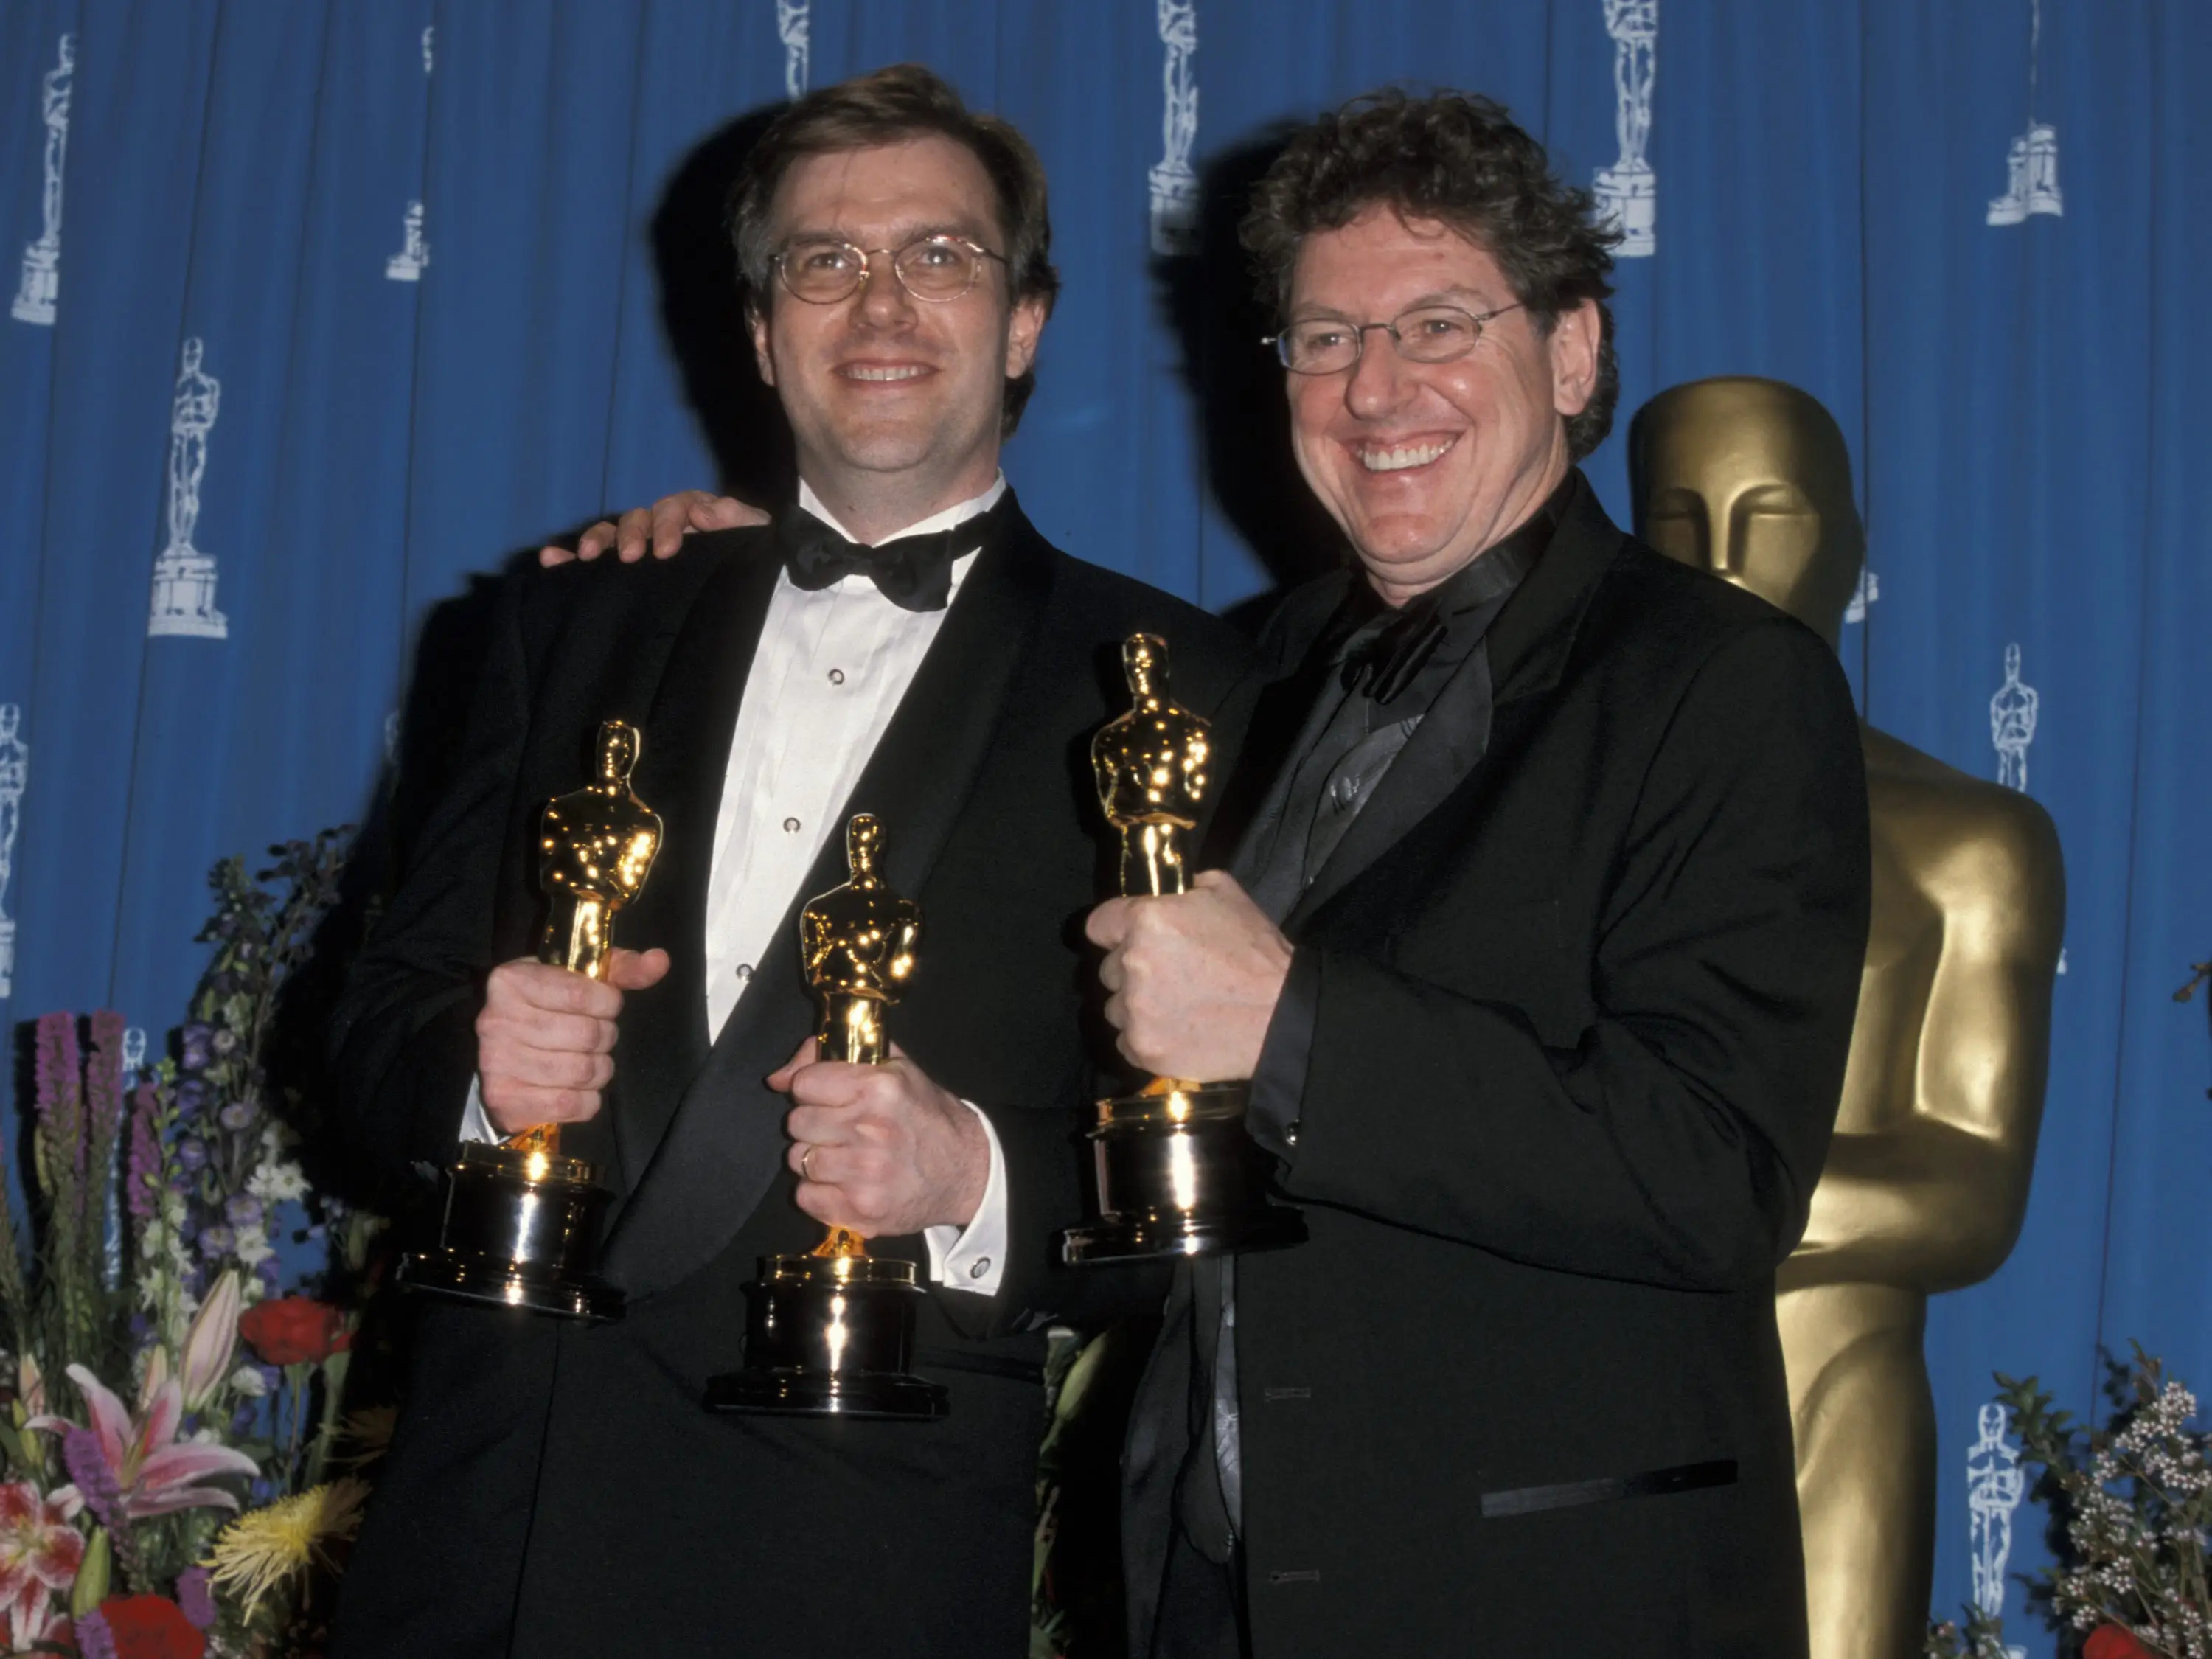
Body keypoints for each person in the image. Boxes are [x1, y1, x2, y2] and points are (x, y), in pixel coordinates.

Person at [330, 65, 1240, 1659]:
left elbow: (1235, 1177)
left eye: (942, 256)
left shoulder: (1182, 690)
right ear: (760, 330)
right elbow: (352, 1043)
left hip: (853, 1561)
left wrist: (973, 1181)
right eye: (825, 260)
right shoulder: (561, 629)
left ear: (1027, 320)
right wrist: (476, 1082)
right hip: (491, 1547)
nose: (880, 303)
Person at [1084, 91, 1871, 1657]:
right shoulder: (1243, 670)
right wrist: (722, 559)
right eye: (1323, 339)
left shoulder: (1722, 680)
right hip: (1206, 1593)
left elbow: (1713, 1173)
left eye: (1437, 323)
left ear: (1573, 355)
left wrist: (1292, 1023)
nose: (1376, 391)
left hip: (1543, 1598)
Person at [1630, 375, 2063, 1659]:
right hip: (1591, 1408)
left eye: (1769, 514)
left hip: (1836, 1391)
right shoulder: (1570, 827)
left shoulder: (1967, 844)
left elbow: (1970, 1192)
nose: (1720, 561)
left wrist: (1659, 1176)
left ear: (1848, 543)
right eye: (1677, 519)